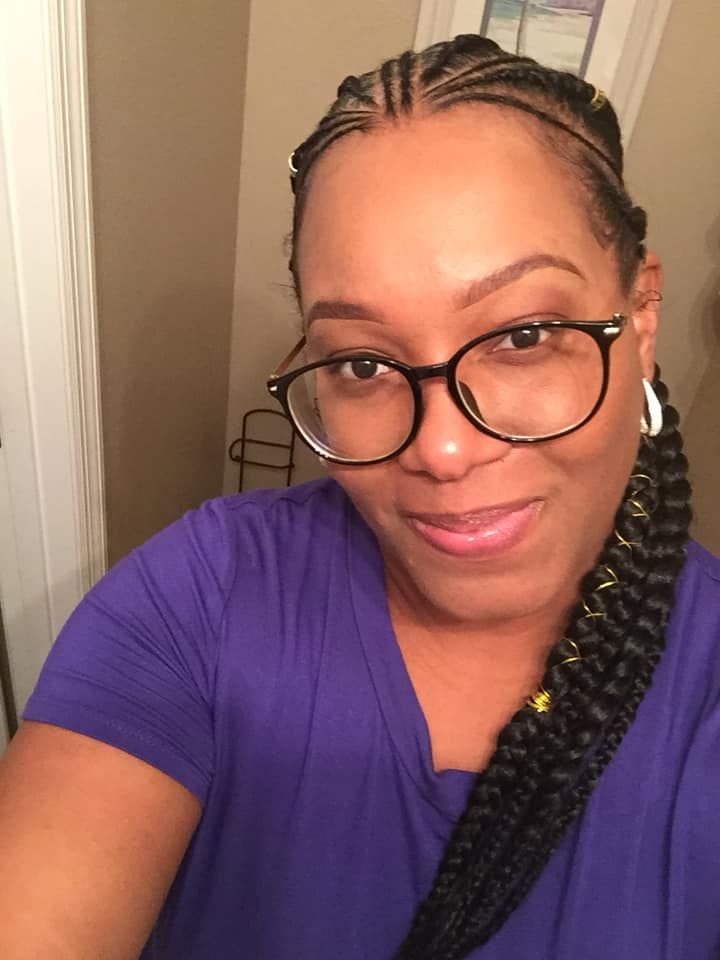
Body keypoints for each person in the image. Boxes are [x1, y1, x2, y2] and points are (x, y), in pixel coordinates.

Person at [0, 33, 716, 960]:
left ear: (642, 316)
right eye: (364, 362)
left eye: (525, 335)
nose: (443, 450)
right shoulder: (199, 600)